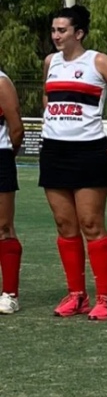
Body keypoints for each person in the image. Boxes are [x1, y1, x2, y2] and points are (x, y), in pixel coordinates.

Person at [41, 5, 107, 320]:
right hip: (54, 152)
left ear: (79, 33)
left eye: (62, 30)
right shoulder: (50, 62)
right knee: (65, 225)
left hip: (88, 153)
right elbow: (50, 100)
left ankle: (105, 299)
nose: (56, 35)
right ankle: (77, 295)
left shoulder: (97, 61)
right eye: (54, 30)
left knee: (91, 224)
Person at [0, 66, 25, 314]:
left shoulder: (2, 83)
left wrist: (8, 156)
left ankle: (9, 294)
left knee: (3, 226)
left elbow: (16, 129)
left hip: (0, 157)